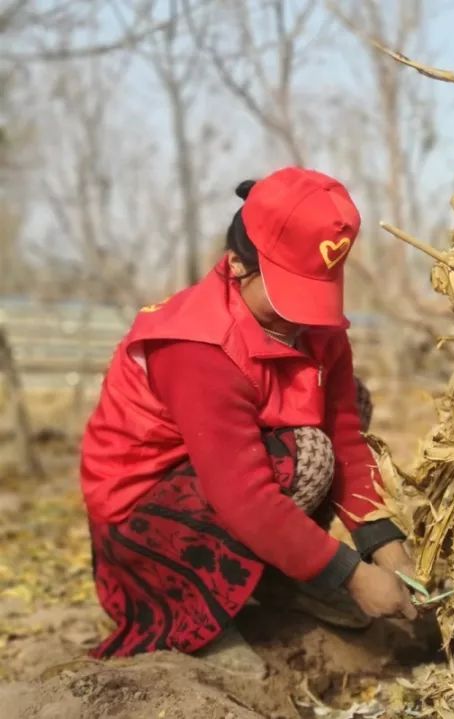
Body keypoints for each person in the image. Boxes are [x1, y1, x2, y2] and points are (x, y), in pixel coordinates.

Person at [80, 167, 419, 675]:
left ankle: (279, 577)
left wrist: (386, 548)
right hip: (145, 531)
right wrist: (350, 575)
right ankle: (188, 616)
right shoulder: (195, 346)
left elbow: (348, 436)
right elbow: (243, 494)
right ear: (238, 266)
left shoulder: (316, 327)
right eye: (289, 294)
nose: (302, 318)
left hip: (220, 491)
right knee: (306, 452)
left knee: (348, 407)